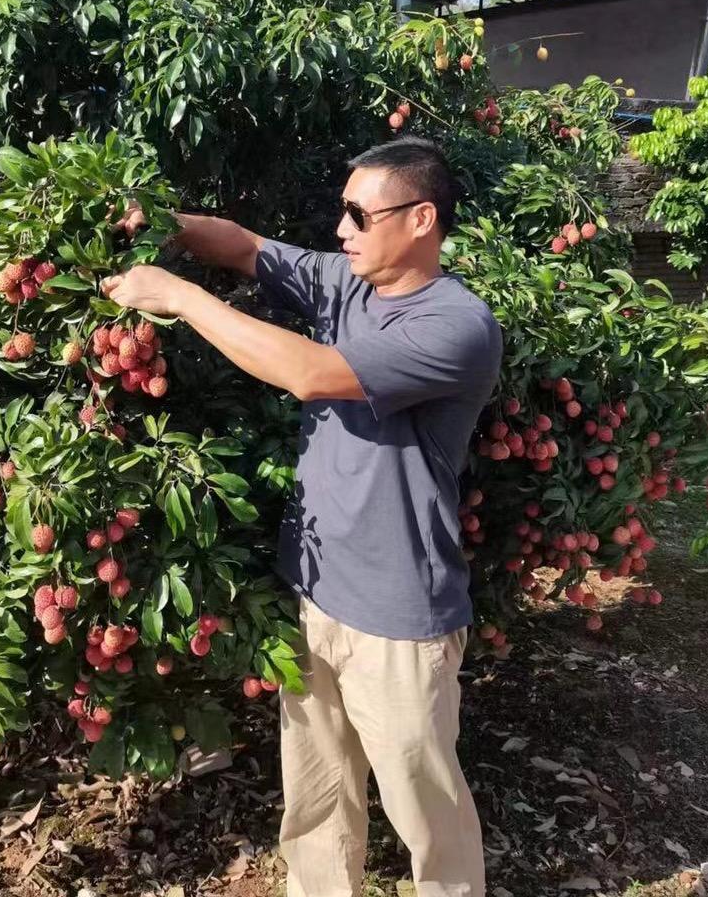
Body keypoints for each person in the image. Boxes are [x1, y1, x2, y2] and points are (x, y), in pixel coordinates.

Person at [102, 136, 502, 897]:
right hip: (317, 590)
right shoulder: (346, 284)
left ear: (421, 219)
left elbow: (310, 374)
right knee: (316, 797)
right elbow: (248, 247)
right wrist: (162, 222)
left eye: (358, 213)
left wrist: (181, 299)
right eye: (341, 213)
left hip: (400, 615)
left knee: (426, 811)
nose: (341, 229)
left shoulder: (456, 324)